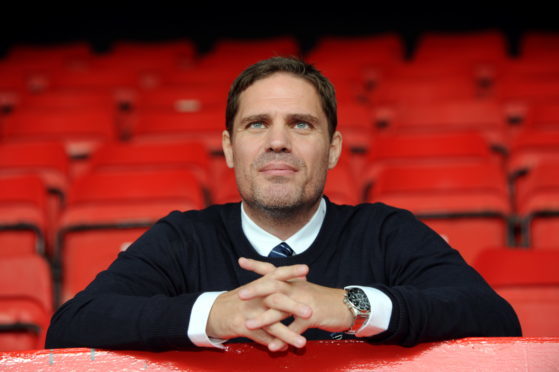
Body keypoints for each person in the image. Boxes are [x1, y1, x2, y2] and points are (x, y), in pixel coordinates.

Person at [45, 57, 521, 352]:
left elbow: (497, 320)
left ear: (333, 148)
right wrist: (216, 314)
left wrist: (350, 305)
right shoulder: (182, 239)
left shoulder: (385, 231)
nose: (277, 142)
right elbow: (71, 327)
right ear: (230, 148)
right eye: (256, 125)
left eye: (300, 124)